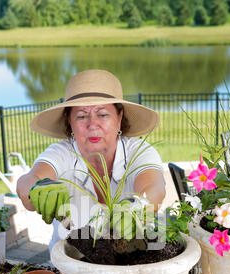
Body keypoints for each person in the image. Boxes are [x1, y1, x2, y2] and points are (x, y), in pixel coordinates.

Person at [17, 69, 166, 252]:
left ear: (119, 118)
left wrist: (138, 206)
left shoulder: (139, 151)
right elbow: (27, 183)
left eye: (102, 114)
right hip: (70, 267)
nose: (92, 124)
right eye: (81, 116)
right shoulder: (61, 153)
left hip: (129, 263)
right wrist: (38, 187)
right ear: (69, 121)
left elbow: (155, 189)